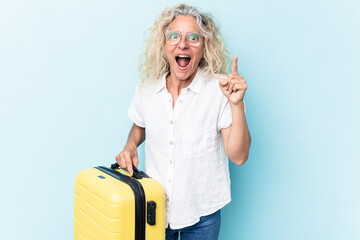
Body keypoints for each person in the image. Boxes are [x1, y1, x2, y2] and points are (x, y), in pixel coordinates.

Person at [115, 4, 251, 240]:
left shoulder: (222, 89)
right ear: (164, 44)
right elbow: (139, 126)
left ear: (205, 46)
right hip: (154, 210)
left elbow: (238, 156)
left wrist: (236, 104)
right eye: (174, 36)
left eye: (194, 37)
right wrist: (130, 145)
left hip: (203, 214)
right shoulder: (146, 89)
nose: (183, 44)